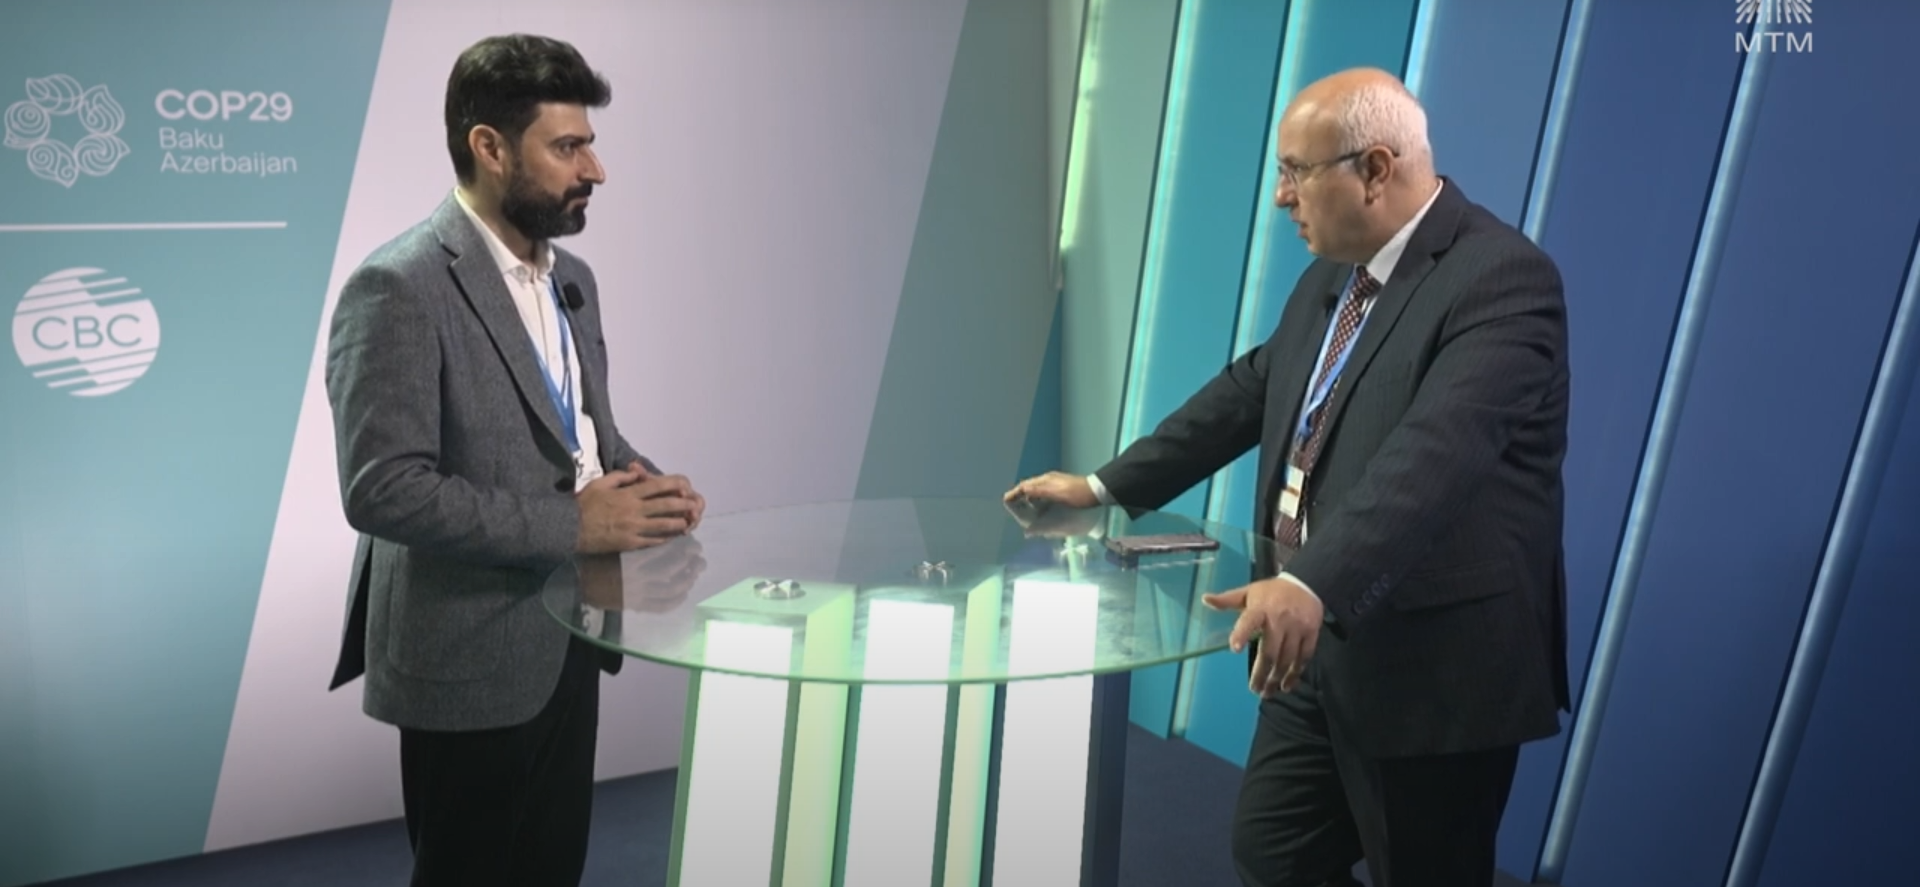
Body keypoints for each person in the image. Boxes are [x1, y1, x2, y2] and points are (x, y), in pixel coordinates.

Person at [1008, 67, 1570, 887]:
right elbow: (1250, 392)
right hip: (1316, 644)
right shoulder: (1334, 276)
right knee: (1275, 851)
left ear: (1374, 169)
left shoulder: (1502, 280)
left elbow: (1433, 457)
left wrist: (1309, 581)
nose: (1280, 197)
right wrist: (1104, 489)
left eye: (1296, 172)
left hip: (1432, 669)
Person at [323, 33, 706, 887]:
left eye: (590, 144)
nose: (595, 169)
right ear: (490, 148)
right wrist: (577, 524)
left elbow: (580, 435)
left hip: (570, 636)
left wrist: (644, 484)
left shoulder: (574, 279)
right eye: (568, 147)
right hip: (464, 655)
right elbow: (383, 489)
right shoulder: (398, 286)